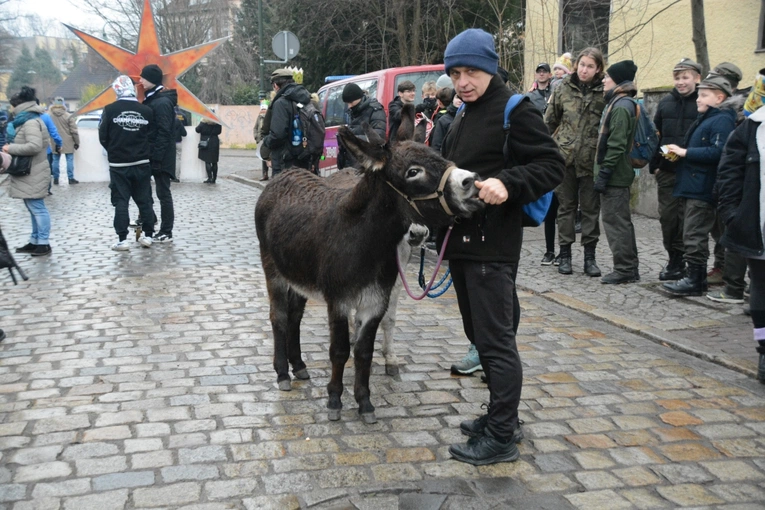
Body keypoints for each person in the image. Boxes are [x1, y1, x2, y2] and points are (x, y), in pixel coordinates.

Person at [440, 28, 564, 465]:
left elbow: (552, 165)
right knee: (481, 336)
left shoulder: (517, 109)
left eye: (470, 71)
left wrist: (508, 183)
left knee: (495, 342)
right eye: (455, 73)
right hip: (462, 243)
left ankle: (501, 437)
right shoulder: (464, 112)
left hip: (493, 247)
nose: (462, 81)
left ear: (489, 68)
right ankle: (500, 415)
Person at [662, 75, 737, 297]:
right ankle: (695, 278)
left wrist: (685, 153)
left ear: (719, 97)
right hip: (693, 184)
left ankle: (695, 281)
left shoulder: (722, 120)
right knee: (692, 233)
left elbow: (719, 152)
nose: (698, 99)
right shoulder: (707, 117)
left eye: (704, 95)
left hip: (702, 188)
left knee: (694, 235)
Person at [716, 88, 765, 382]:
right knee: (761, 289)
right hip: (758, 227)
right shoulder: (752, 128)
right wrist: (733, 216)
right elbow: (729, 174)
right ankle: (763, 349)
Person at [545, 47, 607, 277]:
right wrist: (544, 150)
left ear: (598, 69)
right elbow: (549, 121)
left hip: (591, 160)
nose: (584, 70)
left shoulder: (604, 92)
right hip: (566, 158)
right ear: (575, 66)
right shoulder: (563, 88)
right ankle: (565, 255)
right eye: (582, 65)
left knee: (591, 210)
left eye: (590, 66)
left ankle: (590, 257)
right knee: (566, 208)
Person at [650, 58, 703, 282]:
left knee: (689, 222)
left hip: (692, 172)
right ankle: (674, 259)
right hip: (668, 171)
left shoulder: (702, 103)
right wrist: (655, 166)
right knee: (669, 219)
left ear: (697, 78)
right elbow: (657, 135)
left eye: (685, 77)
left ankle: (691, 265)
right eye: (677, 78)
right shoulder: (665, 103)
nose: (681, 82)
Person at [593, 60, 640, 284]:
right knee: (621, 221)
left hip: (615, 176)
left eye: (607, 77)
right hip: (616, 174)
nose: (603, 80)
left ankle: (624, 269)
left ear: (618, 80)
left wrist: (604, 173)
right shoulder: (620, 102)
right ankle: (629, 267)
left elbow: (617, 145)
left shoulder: (621, 106)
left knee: (616, 222)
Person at [99, 75, 156, 251]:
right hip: (141, 162)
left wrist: (114, 150)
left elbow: (103, 136)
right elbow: (151, 136)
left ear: (116, 89)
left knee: (121, 201)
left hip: (118, 164)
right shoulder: (146, 111)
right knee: (145, 200)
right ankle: (148, 235)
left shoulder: (109, 109)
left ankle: (122, 239)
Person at [4, 87, 52, 257]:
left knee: (37, 207)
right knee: (32, 206)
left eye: (13, 106)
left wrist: (11, 148)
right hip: (31, 170)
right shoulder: (28, 120)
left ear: (19, 106)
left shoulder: (30, 122)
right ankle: (35, 241)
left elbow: (34, 146)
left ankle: (43, 243)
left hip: (34, 171)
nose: (11, 110)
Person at [139, 63, 177, 243]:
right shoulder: (153, 99)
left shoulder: (161, 102)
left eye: (143, 77)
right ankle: (150, 219)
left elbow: (164, 131)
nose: (140, 80)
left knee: (163, 194)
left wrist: (157, 157)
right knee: (145, 191)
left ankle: (166, 231)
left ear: (152, 80)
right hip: (152, 154)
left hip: (160, 156)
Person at [262, 68, 313, 175]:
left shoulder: (281, 103)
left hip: (284, 161)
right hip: (304, 158)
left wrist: (266, 141)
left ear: (276, 85)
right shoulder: (307, 99)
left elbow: (278, 135)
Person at [48, 97, 80, 185]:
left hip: (54, 140)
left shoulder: (50, 116)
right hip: (68, 140)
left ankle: (56, 178)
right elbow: (74, 131)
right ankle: (70, 178)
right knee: (69, 159)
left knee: (55, 160)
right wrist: (77, 142)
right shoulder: (68, 115)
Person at [196, 117, 222, 184]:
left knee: (207, 161)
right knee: (214, 161)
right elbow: (219, 132)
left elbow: (197, 130)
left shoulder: (203, 123)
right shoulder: (218, 123)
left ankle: (209, 178)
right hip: (215, 142)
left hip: (205, 142)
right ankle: (214, 179)